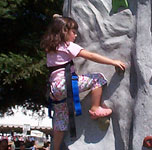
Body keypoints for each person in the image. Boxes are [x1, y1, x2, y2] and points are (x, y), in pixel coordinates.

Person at [40, 16, 126, 150]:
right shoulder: (68, 46)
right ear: (64, 31)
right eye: (73, 32)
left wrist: (58, 19)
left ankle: (55, 148)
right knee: (98, 78)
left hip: (54, 90)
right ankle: (95, 108)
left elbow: (57, 26)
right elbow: (90, 55)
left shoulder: (52, 48)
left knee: (60, 123)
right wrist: (113, 62)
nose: (75, 35)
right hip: (65, 85)